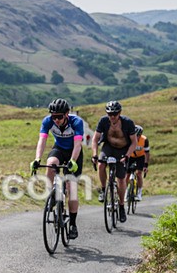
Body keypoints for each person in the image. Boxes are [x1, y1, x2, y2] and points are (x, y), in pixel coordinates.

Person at [30, 98, 84, 239]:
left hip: (74, 151)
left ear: (67, 114)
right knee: (51, 163)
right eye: (54, 116)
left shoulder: (76, 122)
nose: (56, 120)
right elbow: (42, 140)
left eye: (59, 117)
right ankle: (52, 195)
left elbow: (78, 144)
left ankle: (72, 224)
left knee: (71, 187)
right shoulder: (48, 121)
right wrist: (37, 159)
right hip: (59, 148)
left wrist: (73, 161)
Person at [90, 101, 137, 223]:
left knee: (121, 179)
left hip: (123, 150)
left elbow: (134, 143)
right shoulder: (103, 121)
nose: (112, 117)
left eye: (115, 114)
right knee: (101, 164)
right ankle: (104, 189)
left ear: (119, 113)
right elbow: (95, 139)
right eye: (110, 114)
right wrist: (94, 154)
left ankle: (121, 206)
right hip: (108, 147)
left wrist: (127, 156)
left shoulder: (128, 123)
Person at [127, 125, 150, 201]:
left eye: (137, 136)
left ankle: (139, 193)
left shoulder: (144, 140)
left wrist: (146, 165)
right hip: (130, 156)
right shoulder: (128, 139)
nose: (136, 137)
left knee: (139, 173)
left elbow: (147, 153)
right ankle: (126, 192)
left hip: (141, 157)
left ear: (140, 135)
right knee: (127, 175)